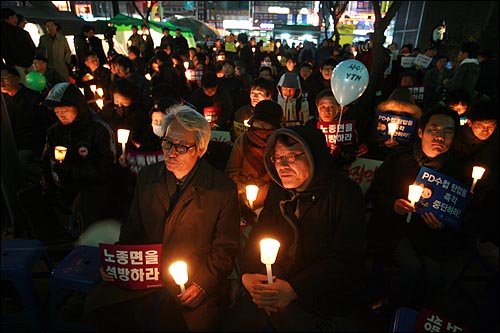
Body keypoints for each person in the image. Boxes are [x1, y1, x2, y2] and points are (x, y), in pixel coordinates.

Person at [84, 105, 240, 332]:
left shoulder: (222, 189)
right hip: (147, 270)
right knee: (100, 306)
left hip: (192, 276)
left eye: (181, 146)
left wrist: (203, 285)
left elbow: (225, 249)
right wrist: (117, 262)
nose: (171, 153)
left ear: (200, 148)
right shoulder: (148, 177)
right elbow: (133, 229)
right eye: (167, 143)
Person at [224, 125, 368, 332]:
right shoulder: (279, 191)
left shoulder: (345, 193)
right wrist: (248, 274)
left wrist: (294, 289)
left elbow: (345, 259)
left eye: (291, 156)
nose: (282, 165)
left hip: (324, 295)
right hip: (279, 279)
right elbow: (260, 234)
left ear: (313, 155)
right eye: (277, 157)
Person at [366, 105, 465, 310]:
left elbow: (459, 217)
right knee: (411, 268)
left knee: (433, 273)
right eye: (434, 129)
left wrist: (441, 224)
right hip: (394, 228)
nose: (440, 136)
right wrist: (393, 204)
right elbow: (374, 193)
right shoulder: (399, 159)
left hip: (429, 236)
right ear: (420, 132)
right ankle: (394, 309)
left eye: (448, 131)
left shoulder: (454, 172)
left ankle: (419, 315)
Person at [40, 82, 116, 236]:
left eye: (66, 110)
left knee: (84, 206)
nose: (61, 115)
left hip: (94, 185)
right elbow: (47, 160)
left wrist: (73, 170)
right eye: (57, 111)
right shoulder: (54, 131)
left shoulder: (98, 129)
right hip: (64, 183)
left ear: (79, 109)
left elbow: (107, 167)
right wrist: (50, 181)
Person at [305, 89, 358, 173]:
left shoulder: (347, 127)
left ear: (338, 108)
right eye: (323, 107)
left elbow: (352, 156)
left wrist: (339, 153)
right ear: (317, 108)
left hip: (338, 173)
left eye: (331, 107)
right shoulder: (310, 126)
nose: (327, 111)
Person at [1, 8, 36, 84]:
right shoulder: (20, 32)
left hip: (18, 64)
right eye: (14, 17)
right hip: (19, 64)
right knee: (29, 84)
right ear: (9, 18)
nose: (15, 20)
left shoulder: (19, 32)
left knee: (25, 84)